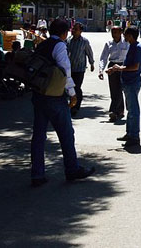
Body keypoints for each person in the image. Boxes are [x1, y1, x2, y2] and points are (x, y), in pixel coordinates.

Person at [30, 18, 95, 186]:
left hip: (39, 94)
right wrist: (73, 94)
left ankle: (37, 174)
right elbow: (65, 71)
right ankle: (72, 169)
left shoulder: (42, 44)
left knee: (38, 136)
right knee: (66, 134)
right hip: (55, 96)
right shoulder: (60, 46)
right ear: (65, 32)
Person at [108, 27, 141, 147]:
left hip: (132, 82)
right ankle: (129, 133)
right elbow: (127, 63)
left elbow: (135, 67)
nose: (124, 37)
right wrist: (115, 68)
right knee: (130, 110)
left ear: (131, 36)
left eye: (126, 35)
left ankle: (134, 136)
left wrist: (120, 68)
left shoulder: (137, 48)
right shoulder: (131, 46)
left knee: (133, 110)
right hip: (128, 81)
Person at [98, 26, 129, 122]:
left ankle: (113, 111)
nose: (113, 34)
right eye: (112, 32)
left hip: (122, 66)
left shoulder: (126, 43)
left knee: (119, 89)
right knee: (113, 89)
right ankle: (120, 110)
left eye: (116, 32)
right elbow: (103, 57)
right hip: (112, 66)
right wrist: (101, 70)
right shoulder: (109, 44)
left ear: (120, 32)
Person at [66, 23, 95, 117]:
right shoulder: (68, 40)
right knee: (69, 87)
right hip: (69, 68)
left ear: (80, 31)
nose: (73, 30)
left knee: (76, 87)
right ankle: (71, 104)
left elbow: (89, 52)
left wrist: (92, 63)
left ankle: (75, 107)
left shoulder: (84, 41)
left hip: (79, 69)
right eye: (73, 28)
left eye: (76, 29)